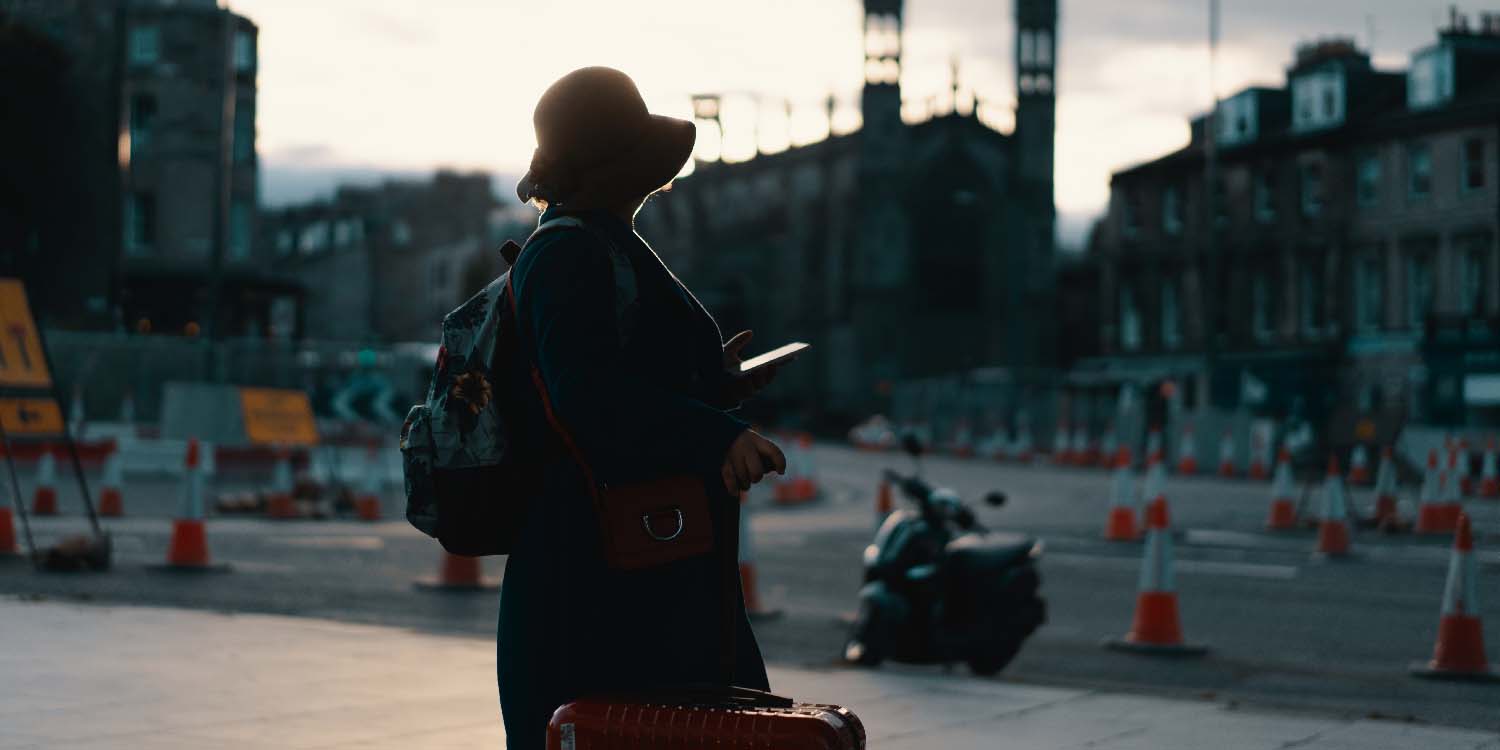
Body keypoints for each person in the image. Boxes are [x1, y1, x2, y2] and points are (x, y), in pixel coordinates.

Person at [498, 66, 788, 748]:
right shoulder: (570, 251)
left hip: (642, 559)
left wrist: (713, 383)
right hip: (601, 578)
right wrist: (717, 433)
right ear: (611, 165)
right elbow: (587, 396)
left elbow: (620, 377)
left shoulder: (598, 242)